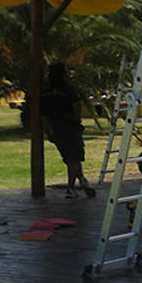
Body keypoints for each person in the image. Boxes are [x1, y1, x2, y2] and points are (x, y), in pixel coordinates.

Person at [40, 62, 95, 198]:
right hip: (69, 126)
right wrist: (76, 120)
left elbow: (44, 115)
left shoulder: (45, 92)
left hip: (56, 127)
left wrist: (47, 131)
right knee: (73, 158)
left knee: (70, 157)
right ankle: (71, 187)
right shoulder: (68, 89)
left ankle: (82, 180)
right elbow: (77, 105)